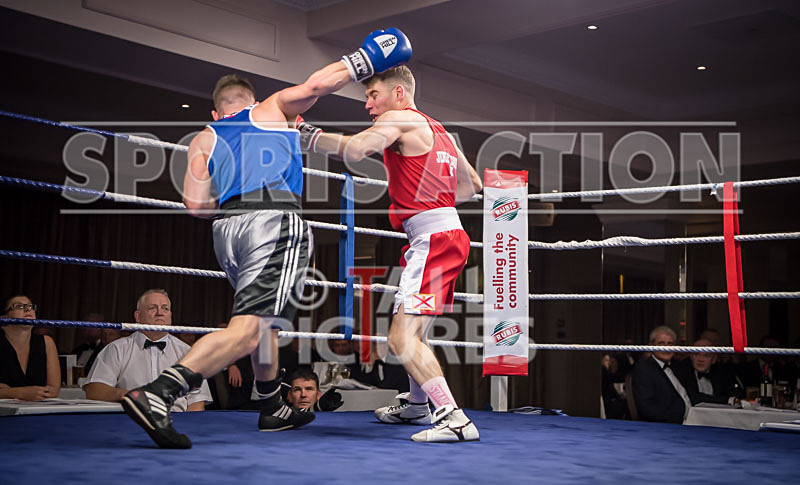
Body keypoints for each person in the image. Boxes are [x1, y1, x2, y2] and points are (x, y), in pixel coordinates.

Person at [119, 28, 413, 449]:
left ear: (217, 111)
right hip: (272, 222)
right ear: (251, 101)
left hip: (227, 231)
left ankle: (272, 402)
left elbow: (196, 206)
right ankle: (160, 392)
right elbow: (317, 85)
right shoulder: (270, 108)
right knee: (247, 328)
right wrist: (365, 59)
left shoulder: (204, 137)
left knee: (265, 323)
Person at [299, 65, 483, 442]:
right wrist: (432, 198)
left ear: (398, 94)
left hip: (433, 240)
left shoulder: (398, 118)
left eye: (373, 95)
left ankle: (454, 418)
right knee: (416, 332)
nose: (368, 105)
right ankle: (417, 405)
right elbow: (472, 185)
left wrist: (305, 134)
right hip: (445, 236)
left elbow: (356, 149)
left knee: (401, 339)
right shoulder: (439, 130)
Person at [84, 289, 211, 411]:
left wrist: (186, 424)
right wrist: (129, 395)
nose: (160, 313)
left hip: (178, 420)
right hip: (130, 420)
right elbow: (94, 390)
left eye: (165, 308)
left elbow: (197, 402)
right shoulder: (116, 349)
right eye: (152, 308)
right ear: (138, 316)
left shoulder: (188, 353)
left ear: (170, 315)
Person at [0, 294, 61, 400]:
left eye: (31, 306)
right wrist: (20, 393)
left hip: (36, 408)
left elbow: (53, 390)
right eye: (19, 306)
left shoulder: (47, 342)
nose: (28, 309)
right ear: (4, 318)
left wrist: (7, 391)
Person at [631, 326, 692, 424]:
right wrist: (677, 421)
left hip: (691, 419)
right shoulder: (644, 369)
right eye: (661, 343)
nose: (666, 348)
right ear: (651, 345)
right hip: (668, 426)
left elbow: (688, 394)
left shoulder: (677, 366)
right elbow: (647, 407)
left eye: (670, 343)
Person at [674, 338, 740, 406]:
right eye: (696, 354)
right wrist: (727, 400)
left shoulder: (722, 374)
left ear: (714, 359)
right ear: (691, 356)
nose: (700, 359)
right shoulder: (681, 373)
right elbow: (692, 397)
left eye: (706, 355)